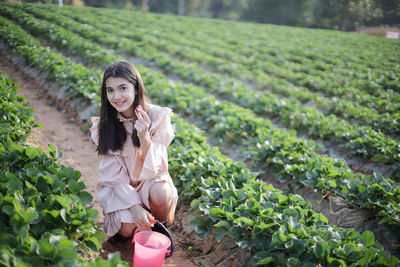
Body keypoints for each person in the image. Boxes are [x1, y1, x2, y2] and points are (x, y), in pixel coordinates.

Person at [89, 61, 178, 245]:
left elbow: (156, 170)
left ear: (136, 88)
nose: (116, 96)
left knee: (161, 192)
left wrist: (144, 135)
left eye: (122, 88)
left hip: (149, 183)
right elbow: (112, 176)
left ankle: (158, 227)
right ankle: (136, 225)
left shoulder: (156, 117)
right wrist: (135, 207)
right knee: (126, 228)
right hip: (119, 188)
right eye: (110, 90)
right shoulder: (104, 126)